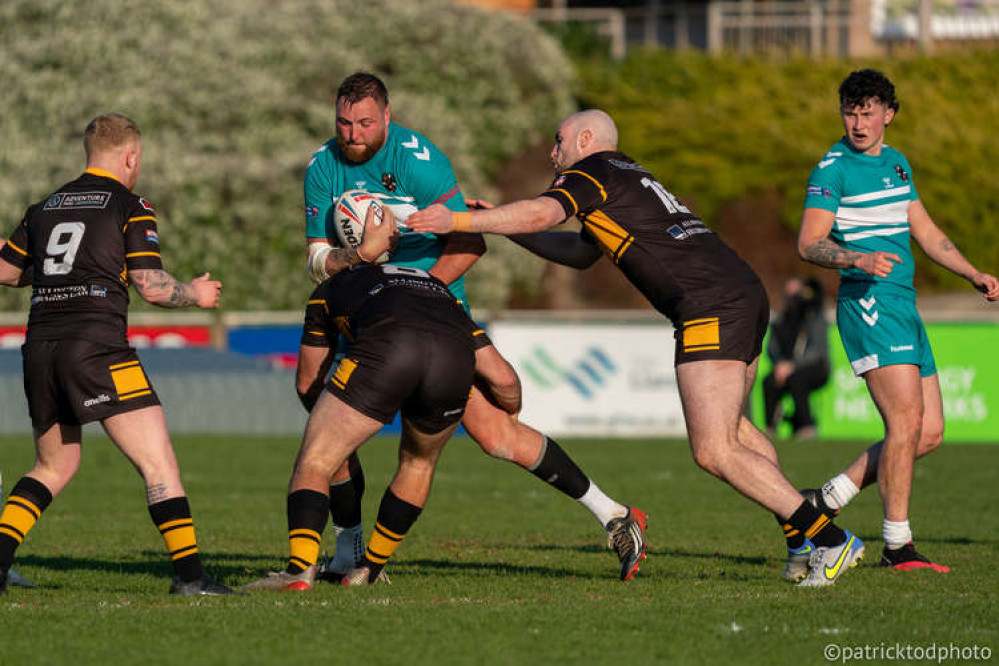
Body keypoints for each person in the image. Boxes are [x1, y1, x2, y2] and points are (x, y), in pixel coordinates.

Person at [408, 108, 865, 587]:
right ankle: (801, 545)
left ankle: (832, 542)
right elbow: (582, 254)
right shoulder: (624, 173)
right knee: (738, 432)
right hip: (740, 291)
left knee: (713, 449)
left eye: (559, 141)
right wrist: (494, 227)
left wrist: (456, 219)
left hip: (708, 304)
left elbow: (542, 212)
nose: (552, 152)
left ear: (586, 139)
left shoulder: (591, 171)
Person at [303, 72, 647, 581]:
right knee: (321, 410)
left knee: (495, 435)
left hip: (432, 313)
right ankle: (352, 551)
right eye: (344, 122)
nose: (352, 134)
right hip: (363, 312)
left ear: (388, 118)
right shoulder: (321, 166)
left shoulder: (421, 162)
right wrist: (360, 263)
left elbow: (470, 242)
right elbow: (316, 259)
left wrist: (413, 294)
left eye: (365, 123)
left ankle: (614, 514)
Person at [0, 113, 233, 595]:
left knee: (51, 467)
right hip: (99, 348)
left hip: (40, 348)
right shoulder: (130, 204)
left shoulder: (44, 207)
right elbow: (151, 285)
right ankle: (191, 578)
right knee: (158, 463)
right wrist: (195, 292)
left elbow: (7, 271)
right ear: (130, 157)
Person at [796, 69, 999, 571]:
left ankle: (825, 501)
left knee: (928, 433)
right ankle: (897, 545)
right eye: (850, 111)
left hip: (903, 303)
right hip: (868, 303)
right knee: (905, 422)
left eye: (867, 112)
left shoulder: (897, 164)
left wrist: (971, 272)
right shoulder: (831, 169)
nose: (858, 122)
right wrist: (855, 259)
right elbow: (808, 244)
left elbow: (925, 230)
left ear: (889, 114)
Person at [247, 260, 514, 589]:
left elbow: (306, 384)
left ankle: (299, 569)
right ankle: (368, 570)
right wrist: (512, 412)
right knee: (419, 464)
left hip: (390, 347)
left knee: (316, 460)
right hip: (453, 360)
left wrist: (330, 429)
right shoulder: (436, 286)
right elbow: (504, 380)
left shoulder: (330, 287)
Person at [762, 277, 830, 440]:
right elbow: (772, 349)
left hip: (815, 368)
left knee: (796, 379)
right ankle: (770, 428)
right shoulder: (781, 319)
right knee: (769, 381)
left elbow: (817, 351)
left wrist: (793, 365)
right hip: (785, 368)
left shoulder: (813, 316)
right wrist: (779, 364)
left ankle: (806, 427)